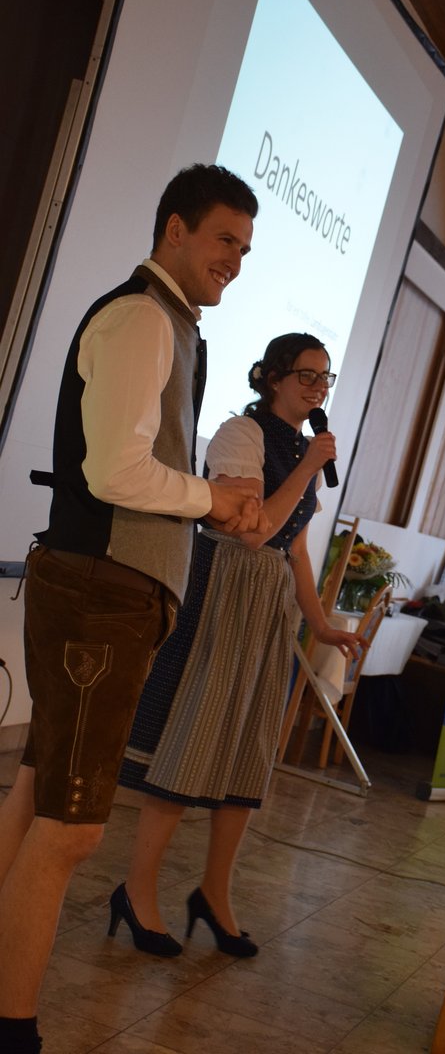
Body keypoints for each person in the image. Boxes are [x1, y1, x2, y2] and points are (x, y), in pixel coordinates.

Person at [0, 164, 264, 1054]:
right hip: (100, 594)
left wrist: (207, 504)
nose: (235, 260)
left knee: (37, 795)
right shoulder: (144, 317)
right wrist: (212, 498)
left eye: (245, 248)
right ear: (175, 229)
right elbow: (113, 472)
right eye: (224, 239)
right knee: (70, 830)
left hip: (108, 591)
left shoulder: (170, 324)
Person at [113, 332, 362, 959]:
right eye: (306, 375)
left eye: (325, 378)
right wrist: (307, 467)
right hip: (222, 589)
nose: (318, 388)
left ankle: (214, 895)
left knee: (249, 750)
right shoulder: (240, 434)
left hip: (267, 604)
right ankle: (137, 891)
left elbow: (294, 549)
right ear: (273, 377)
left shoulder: (301, 449)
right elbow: (254, 531)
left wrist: (320, 626)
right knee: (188, 739)